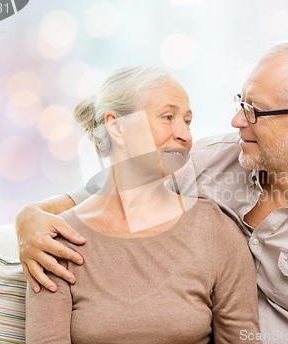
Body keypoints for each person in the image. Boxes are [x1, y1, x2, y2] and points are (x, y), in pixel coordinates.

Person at [17, 41, 288, 343]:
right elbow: (109, 194)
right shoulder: (210, 160)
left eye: (255, 110)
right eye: (241, 101)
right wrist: (31, 217)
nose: (236, 119)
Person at [24, 65, 261, 343]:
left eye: (187, 121)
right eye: (168, 117)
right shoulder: (56, 241)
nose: (184, 135)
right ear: (116, 126)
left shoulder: (214, 229)